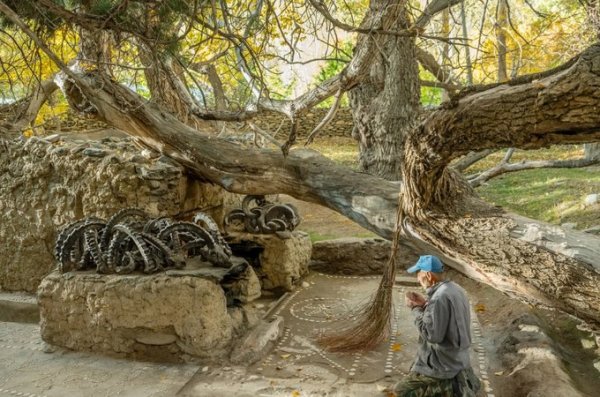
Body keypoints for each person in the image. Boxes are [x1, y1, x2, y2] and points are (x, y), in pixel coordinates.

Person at [394, 255, 480, 397]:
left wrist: (415, 309)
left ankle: (450, 387)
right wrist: (425, 304)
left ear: (428, 275)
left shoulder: (439, 298)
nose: (417, 279)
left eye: (418, 274)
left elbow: (431, 335)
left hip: (445, 363)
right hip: (458, 357)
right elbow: (445, 318)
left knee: (401, 391)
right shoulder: (455, 289)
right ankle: (453, 382)